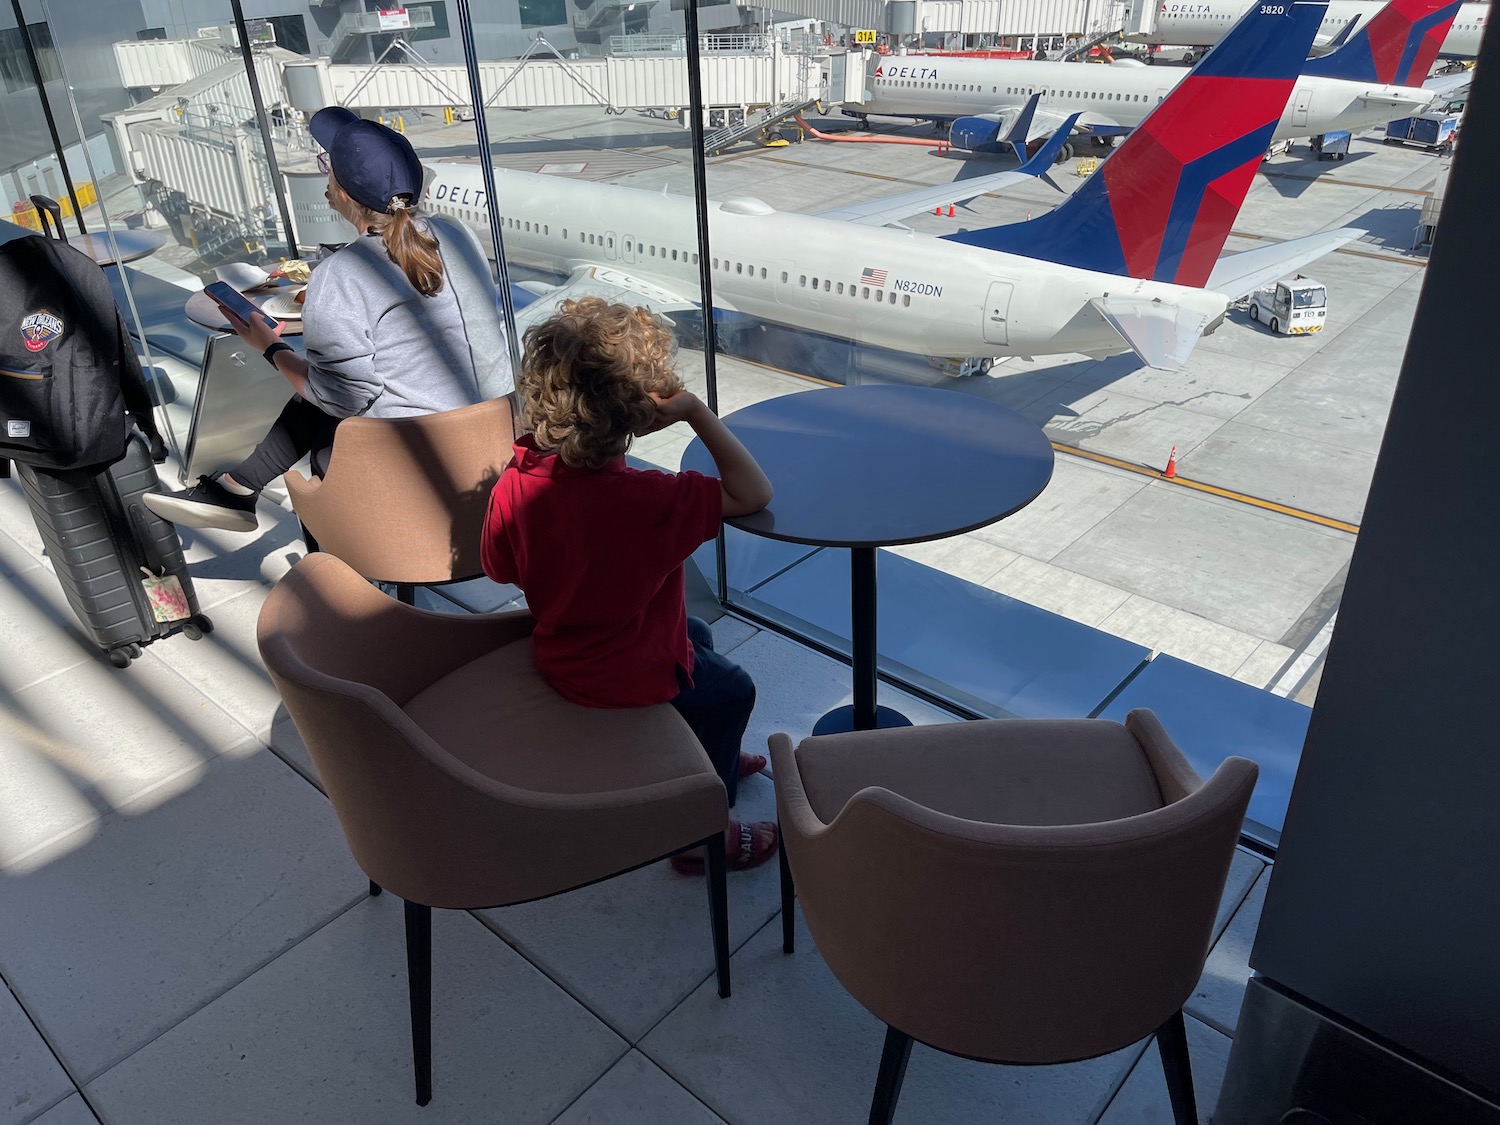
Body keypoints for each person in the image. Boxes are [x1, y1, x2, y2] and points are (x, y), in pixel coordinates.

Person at [481, 298, 779, 874]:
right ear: (640, 412)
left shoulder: (513, 485)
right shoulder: (649, 502)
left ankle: (693, 752)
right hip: (624, 674)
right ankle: (702, 831)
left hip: (563, 654)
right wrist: (695, 412)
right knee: (733, 690)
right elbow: (753, 492)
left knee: (696, 637)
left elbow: (500, 569)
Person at [146, 107, 511, 532]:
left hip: (423, 468)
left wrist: (270, 347)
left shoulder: (342, 276)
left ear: (340, 193)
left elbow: (338, 399)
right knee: (335, 386)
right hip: (493, 442)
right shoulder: (456, 234)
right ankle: (236, 488)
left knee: (323, 415)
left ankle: (335, 570)